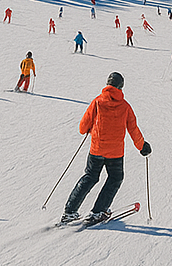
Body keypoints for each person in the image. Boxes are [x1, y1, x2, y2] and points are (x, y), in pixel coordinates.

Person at [60, 72, 150, 225]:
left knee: (90, 177)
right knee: (115, 178)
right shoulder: (125, 106)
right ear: (121, 87)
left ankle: (70, 211)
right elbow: (133, 129)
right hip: (115, 152)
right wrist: (142, 146)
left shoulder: (97, 102)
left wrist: (91, 127)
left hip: (96, 149)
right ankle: (98, 211)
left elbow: (82, 128)